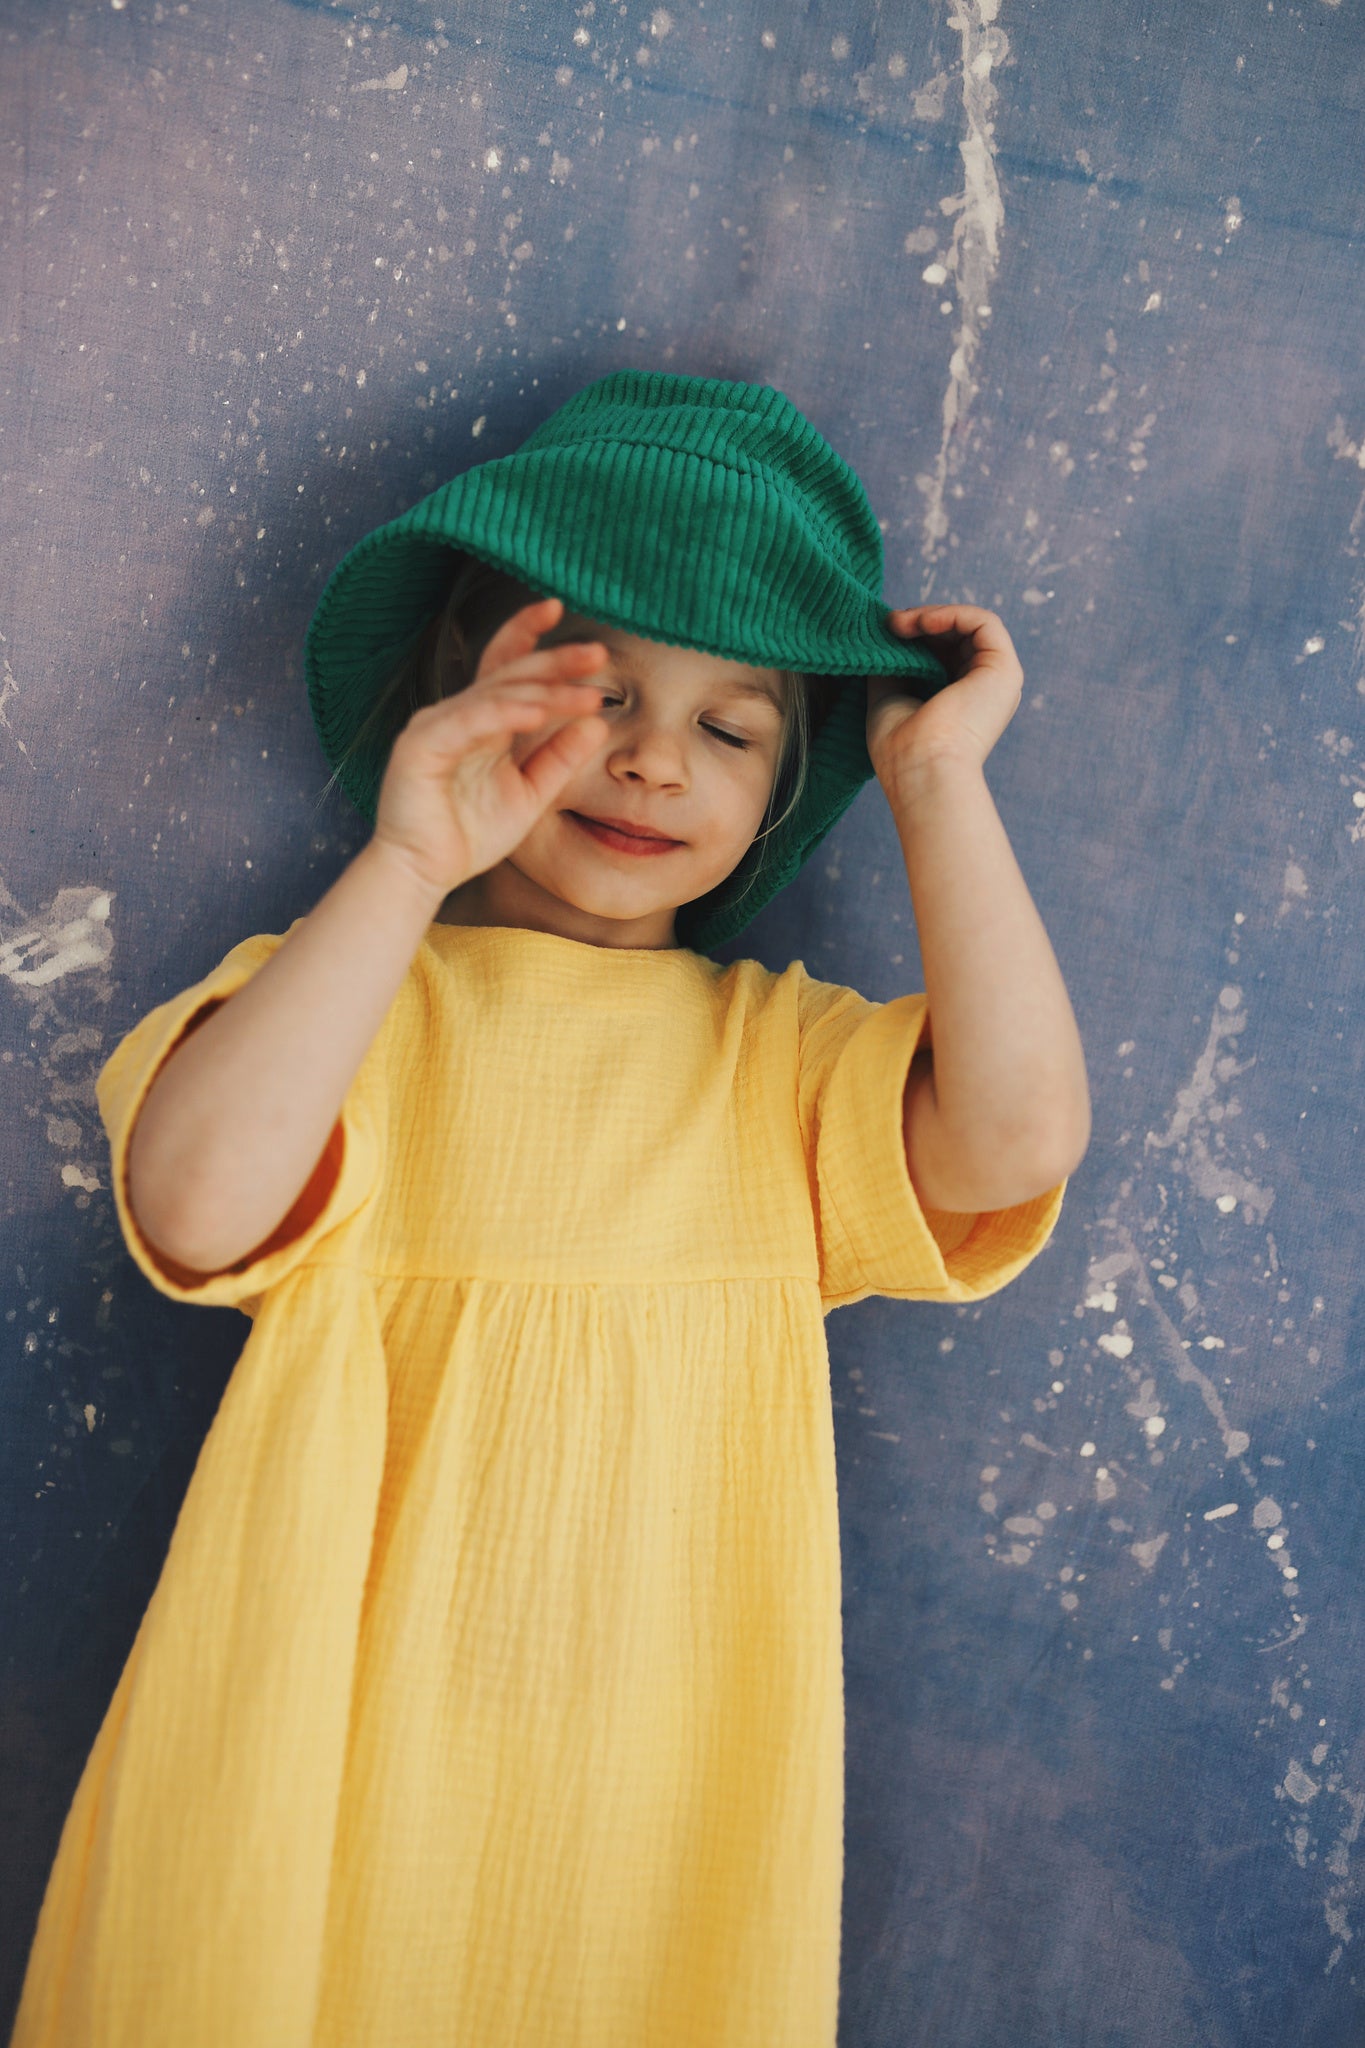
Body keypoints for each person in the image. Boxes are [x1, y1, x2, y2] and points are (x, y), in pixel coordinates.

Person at [11, 369, 1090, 2047]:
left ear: (775, 797)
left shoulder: (776, 1068)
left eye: (731, 729)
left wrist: (937, 778)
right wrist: (403, 866)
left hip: (644, 1805)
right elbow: (202, 1203)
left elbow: (1014, 1139)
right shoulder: (355, 1006)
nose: (655, 760)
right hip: (327, 1751)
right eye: (594, 696)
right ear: (462, 699)